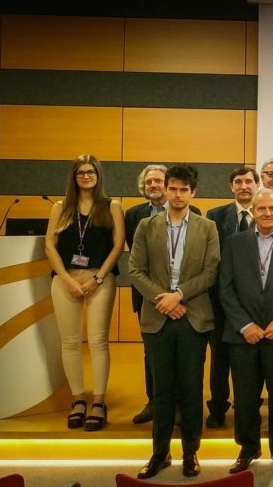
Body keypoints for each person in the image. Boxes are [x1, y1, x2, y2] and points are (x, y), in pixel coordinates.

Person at [128, 164, 220, 479]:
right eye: (173, 188)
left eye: (184, 189)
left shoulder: (207, 227)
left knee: (192, 388)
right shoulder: (145, 226)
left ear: (193, 193)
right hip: (157, 318)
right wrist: (164, 300)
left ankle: (191, 454)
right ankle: (159, 453)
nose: (178, 194)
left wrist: (178, 295)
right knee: (162, 390)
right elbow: (135, 270)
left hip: (194, 317)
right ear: (165, 190)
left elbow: (211, 271)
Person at [219, 188, 273, 475]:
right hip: (243, 335)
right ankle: (248, 448)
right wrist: (244, 325)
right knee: (245, 396)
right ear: (253, 211)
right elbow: (226, 288)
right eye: (261, 209)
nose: (267, 214)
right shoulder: (234, 244)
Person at [45, 154, 125, 432]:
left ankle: (99, 402)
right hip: (66, 279)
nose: (86, 176)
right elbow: (50, 246)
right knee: (69, 342)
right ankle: (78, 399)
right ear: (74, 177)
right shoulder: (60, 208)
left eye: (91, 172)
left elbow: (118, 246)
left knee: (98, 341)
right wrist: (65, 278)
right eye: (81, 172)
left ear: (98, 175)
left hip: (99, 280)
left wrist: (98, 277)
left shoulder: (111, 206)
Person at [124, 164, 190, 425]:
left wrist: (177, 296)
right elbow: (137, 260)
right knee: (152, 353)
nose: (153, 185)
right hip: (149, 297)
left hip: (183, 299)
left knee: (181, 353)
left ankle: (179, 405)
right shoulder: (134, 216)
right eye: (148, 182)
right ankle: (154, 401)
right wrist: (158, 296)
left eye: (158, 181)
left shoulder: (192, 213)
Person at [203, 166, 259, 429]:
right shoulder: (215, 216)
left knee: (251, 360)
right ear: (231, 187)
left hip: (257, 301)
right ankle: (218, 406)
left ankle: (249, 406)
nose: (244, 185)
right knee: (220, 359)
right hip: (222, 299)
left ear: (257, 185)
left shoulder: (266, 213)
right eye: (238, 181)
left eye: (249, 181)